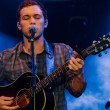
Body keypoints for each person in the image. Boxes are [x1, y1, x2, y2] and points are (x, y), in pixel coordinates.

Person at [0, 0, 86, 110]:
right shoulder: (6, 57)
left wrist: (79, 74)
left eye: (37, 17)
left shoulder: (62, 51)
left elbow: (77, 91)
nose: (32, 21)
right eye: (26, 18)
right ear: (19, 25)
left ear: (45, 23)